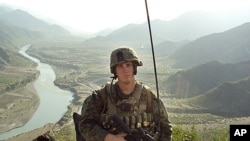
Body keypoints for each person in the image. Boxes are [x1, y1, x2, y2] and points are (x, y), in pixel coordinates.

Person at [77, 46, 172, 141]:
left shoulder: (149, 97)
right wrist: (111, 138)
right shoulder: (101, 96)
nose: (125, 70)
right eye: (120, 66)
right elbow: (85, 125)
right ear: (115, 70)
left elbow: (165, 128)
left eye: (128, 65)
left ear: (134, 67)